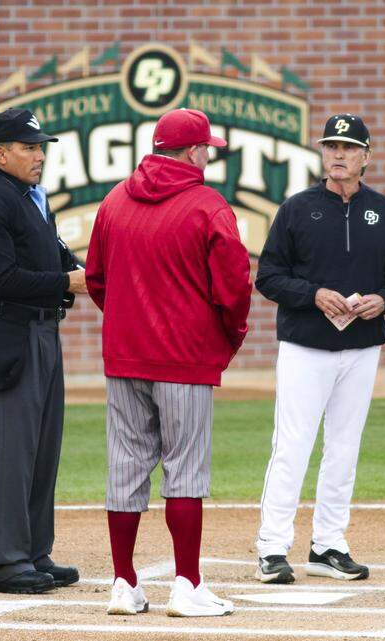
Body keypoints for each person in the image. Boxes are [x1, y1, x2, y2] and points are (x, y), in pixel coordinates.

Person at [85, 108, 252, 617]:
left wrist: (127, 324)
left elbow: (96, 279)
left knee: (126, 467)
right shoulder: (209, 206)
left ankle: (123, 582)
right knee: (185, 470)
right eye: (207, 148)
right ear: (193, 151)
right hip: (184, 358)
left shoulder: (114, 200)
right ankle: (188, 584)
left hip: (125, 356)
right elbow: (234, 288)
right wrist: (229, 336)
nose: (208, 155)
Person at [253, 114, 385, 585]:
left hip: (362, 346)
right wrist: (313, 294)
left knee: (344, 447)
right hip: (305, 346)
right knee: (293, 445)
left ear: (367, 156)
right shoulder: (297, 208)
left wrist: (384, 300)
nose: (338, 154)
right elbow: (268, 276)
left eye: (348, 147)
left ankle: (329, 543)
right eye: (331, 146)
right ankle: (271, 546)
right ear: (322, 154)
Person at [0, 108, 86, 594]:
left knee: (41, 450)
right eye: (30, 147)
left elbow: (54, 254)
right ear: (0, 153)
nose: (39, 156)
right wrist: (68, 281)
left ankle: (33, 551)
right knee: (11, 454)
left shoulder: (32, 197)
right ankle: (1, 562)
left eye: (41, 147)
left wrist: (81, 273)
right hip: (10, 337)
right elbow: (0, 280)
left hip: (43, 333)